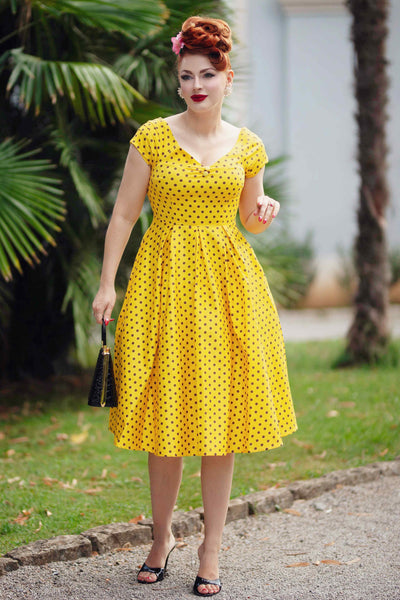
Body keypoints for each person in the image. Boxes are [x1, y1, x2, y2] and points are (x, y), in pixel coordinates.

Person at [92, 15, 297, 597]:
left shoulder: (248, 145)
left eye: (209, 74)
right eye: (187, 76)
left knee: (218, 428)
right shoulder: (154, 137)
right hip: (163, 285)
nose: (197, 84)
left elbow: (250, 221)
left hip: (230, 293)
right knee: (166, 423)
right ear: (177, 81)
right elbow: (126, 215)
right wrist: (107, 284)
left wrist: (264, 212)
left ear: (228, 79)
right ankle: (162, 537)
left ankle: (212, 547)